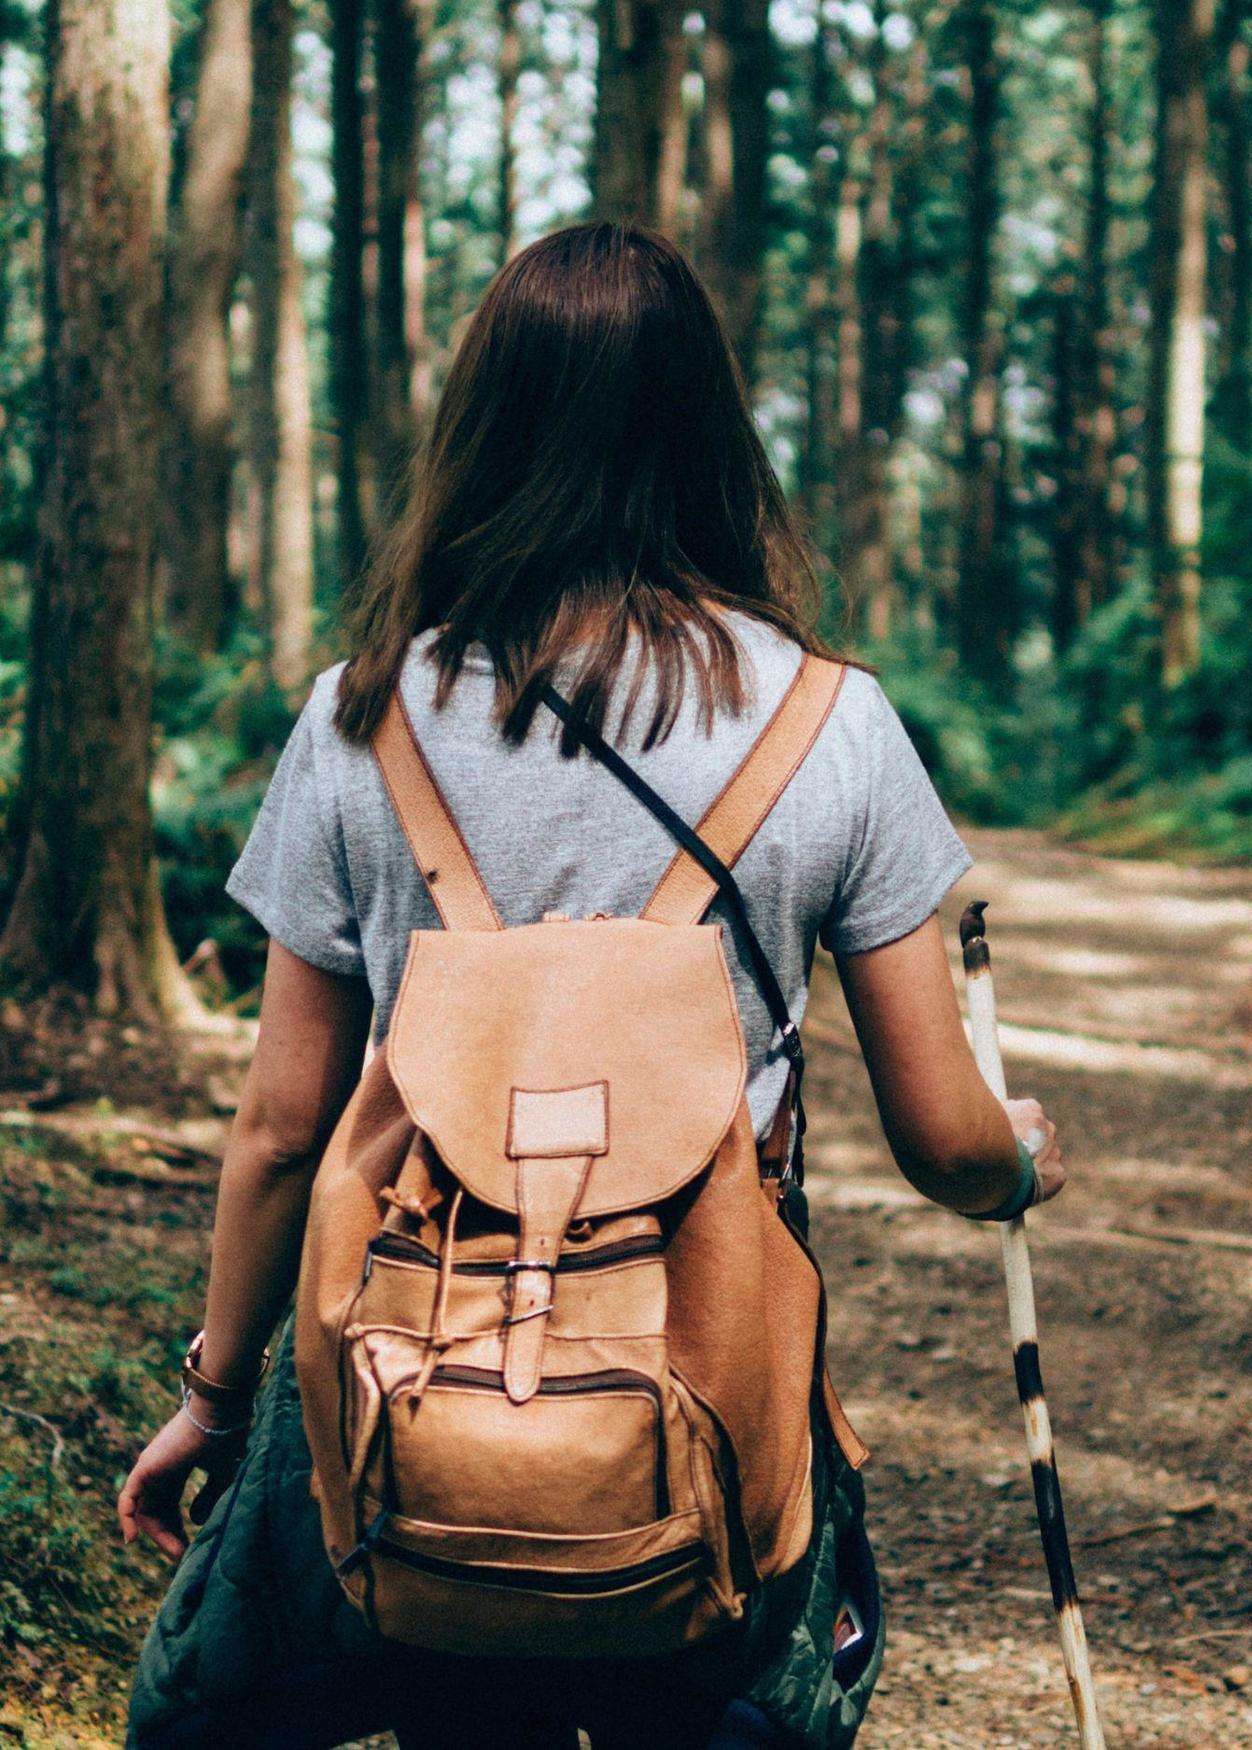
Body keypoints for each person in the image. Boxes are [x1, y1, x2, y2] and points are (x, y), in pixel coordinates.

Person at [118, 221, 1065, 1748]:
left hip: (408, 1385)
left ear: (483, 429)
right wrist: (1020, 1159)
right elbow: (948, 1141)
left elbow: (282, 1130)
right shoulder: (835, 723)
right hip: (706, 1393)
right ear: (710, 432)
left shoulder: (361, 718)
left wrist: (214, 1404)